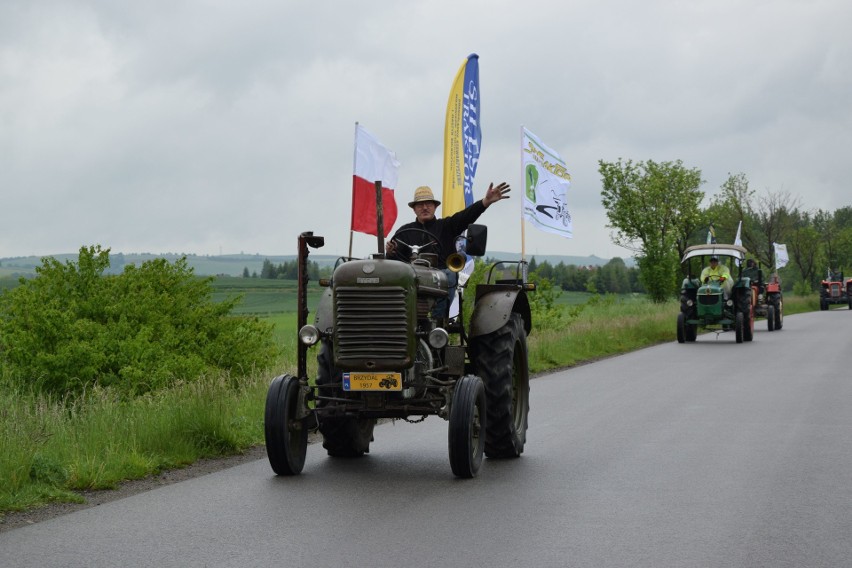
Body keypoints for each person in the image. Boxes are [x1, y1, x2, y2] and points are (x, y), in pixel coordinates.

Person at [386, 182, 511, 317]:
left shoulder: (447, 226)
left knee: (450, 274)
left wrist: (486, 202)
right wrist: (390, 253)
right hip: (411, 278)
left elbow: (466, 216)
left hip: (440, 276)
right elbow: (394, 262)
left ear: (435, 206)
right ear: (414, 209)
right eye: (420, 205)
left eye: (428, 204)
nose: (424, 207)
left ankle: (439, 322)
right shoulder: (404, 232)